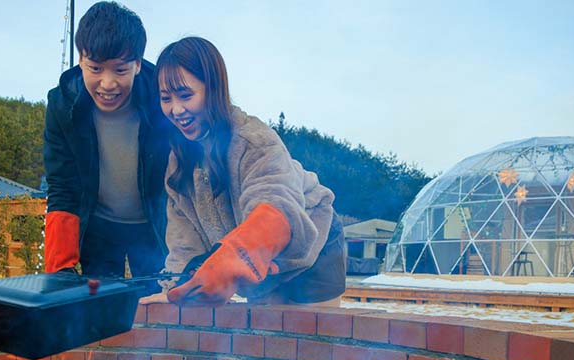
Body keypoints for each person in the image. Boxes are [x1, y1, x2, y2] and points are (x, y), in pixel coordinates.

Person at [150, 36, 346, 306]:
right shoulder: (179, 160)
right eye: (165, 98)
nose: (176, 109)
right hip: (255, 261)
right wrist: (175, 290)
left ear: (213, 89)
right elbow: (185, 242)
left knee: (307, 341)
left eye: (186, 95)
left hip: (312, 247)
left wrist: (230, 260)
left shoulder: (252, 141)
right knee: (261, 338)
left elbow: (275, 210)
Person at [42, 1, 170, 292]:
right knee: (98, 311)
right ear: (80, 59)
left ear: (138, 64)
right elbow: (62, 186)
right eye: (95, 68)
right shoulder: (62, 105)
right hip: (98, 227)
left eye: (120, 69)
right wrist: (59, 268)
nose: (107, 84)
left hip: (155, 226)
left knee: (159, 305)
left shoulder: (161, 97)